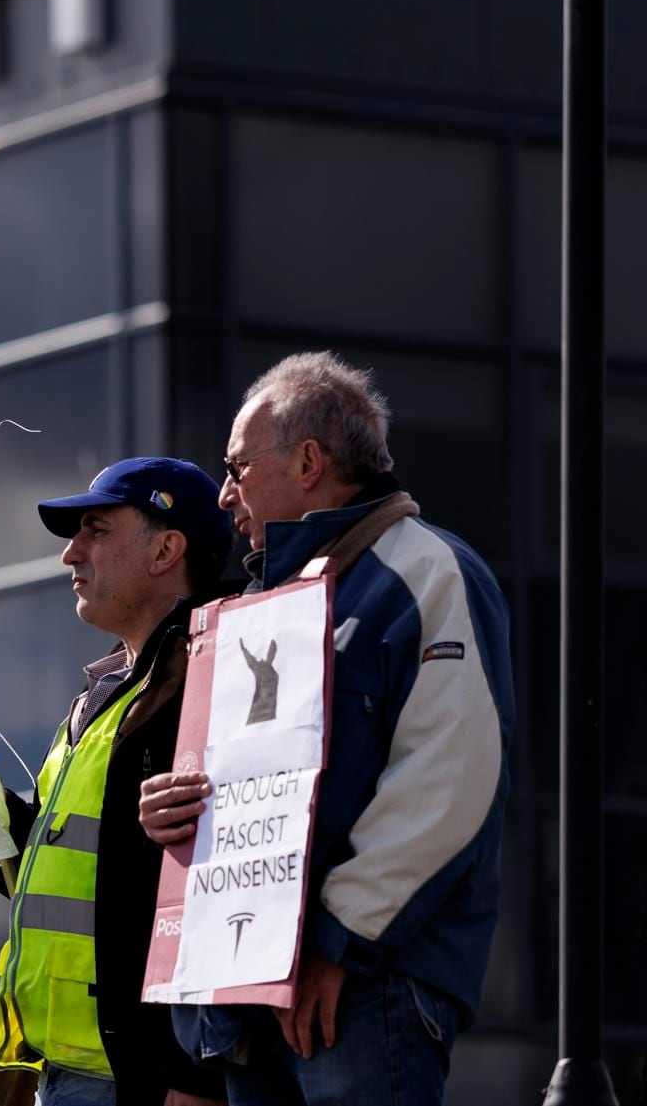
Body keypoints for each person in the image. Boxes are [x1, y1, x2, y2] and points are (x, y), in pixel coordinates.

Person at [138, 354, 513, 1105]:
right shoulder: (247, 613)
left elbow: (451, 777)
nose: (224, 494)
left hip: (364, 991)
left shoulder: (428, 571)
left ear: (308, 461)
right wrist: (175, 811)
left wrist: (340, 941)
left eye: (239, 466)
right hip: (249, 1001)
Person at [0, 458, 235, 1106]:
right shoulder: (105, 694)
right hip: (57, 1068)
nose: (70, 554)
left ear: (166, 549)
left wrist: (194, 1073)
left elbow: (227, 889)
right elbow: (81, 859)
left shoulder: (209, 682)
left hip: (134, 1078)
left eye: (95, 530)